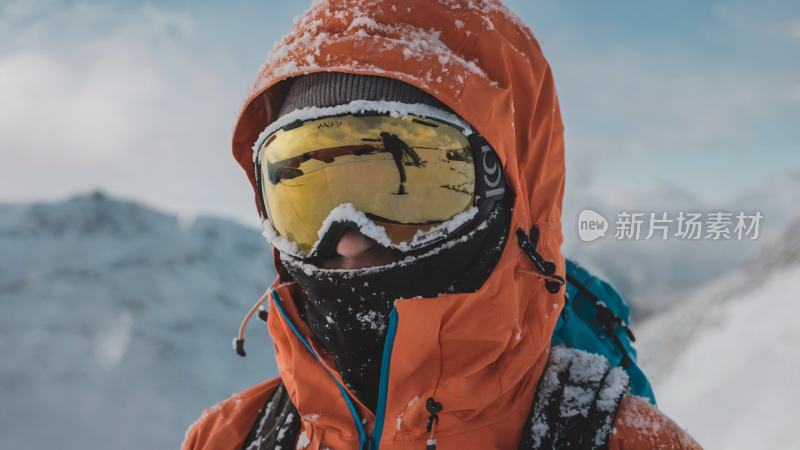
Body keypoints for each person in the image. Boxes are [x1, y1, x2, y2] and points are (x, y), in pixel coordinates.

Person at [183, 1, 702, 449]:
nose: (349, 238)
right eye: (308, 194)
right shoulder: (226, 439)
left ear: (509, 196)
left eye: (406, 184)